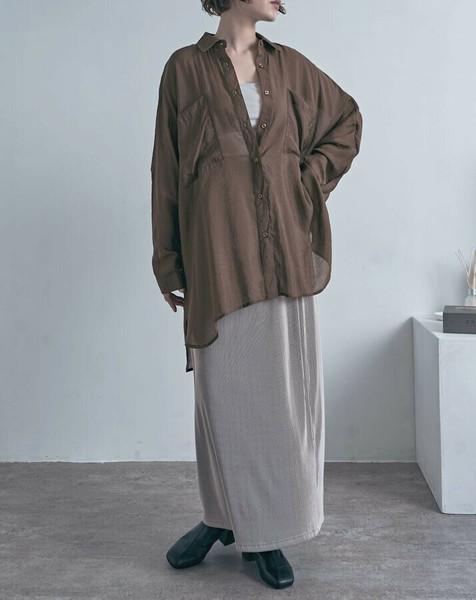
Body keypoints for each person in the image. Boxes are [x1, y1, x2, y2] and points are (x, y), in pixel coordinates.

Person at [151, 0, 363, 590]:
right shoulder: (185, 69)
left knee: (280, 402)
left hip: (281, 256)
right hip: (218, 257)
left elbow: (347, 121)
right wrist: (167, 259)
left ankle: (267, 531)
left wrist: (305, 179)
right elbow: (166, 167)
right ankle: (222, 517)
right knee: (221, 398)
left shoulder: (289, 66)